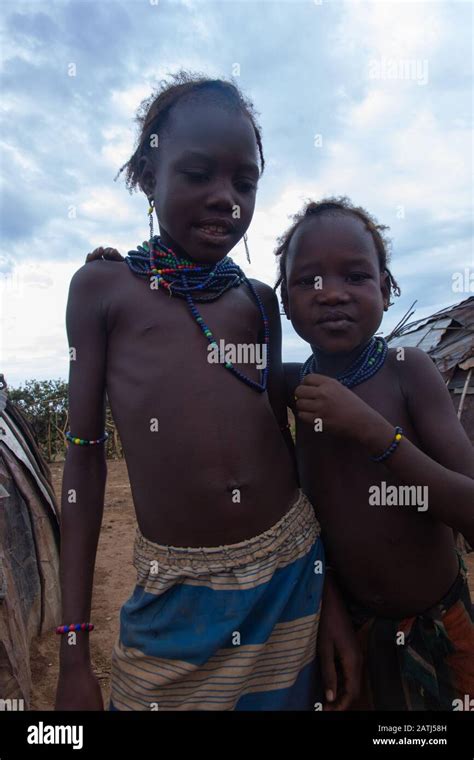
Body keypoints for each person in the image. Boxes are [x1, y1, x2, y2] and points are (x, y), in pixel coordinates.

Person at [55, 75, 360, 712]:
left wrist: (329, 597)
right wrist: (74, 653)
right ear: (147, 174)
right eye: (198, 174)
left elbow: (289, 448)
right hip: (175, 598)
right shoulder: (102, 291)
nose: (226, 199)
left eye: (243, 183)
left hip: (292, 578)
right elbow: (83, 458)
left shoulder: (257, 302)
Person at [278, 196, 474, 710]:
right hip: (346, 628)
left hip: (441, 624)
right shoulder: (288, 387)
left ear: (386, 291)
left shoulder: (409, 371)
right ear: (284, 301)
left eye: (357, 276)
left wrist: (375, 434)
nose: (332, 295)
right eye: (309, 281)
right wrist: (142, 272)